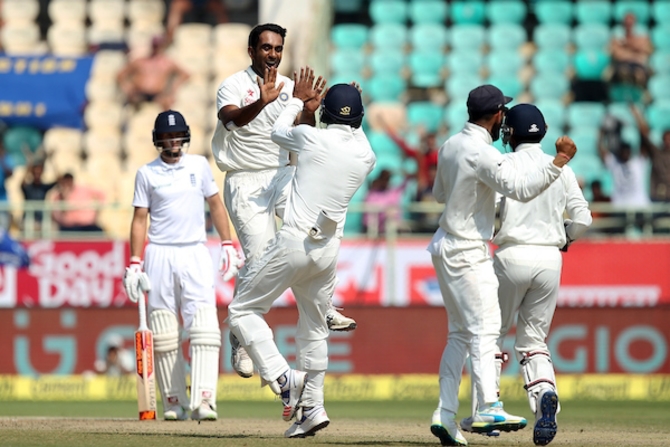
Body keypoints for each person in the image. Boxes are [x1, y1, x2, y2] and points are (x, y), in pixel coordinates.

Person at [427, 84, 577, 447]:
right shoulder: (484, 153)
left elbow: (439, 195)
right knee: (486, 326)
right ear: (496, 115)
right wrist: (558, 163)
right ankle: (488, 407)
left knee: (460, 334)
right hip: (468, 248)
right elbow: (523, 190)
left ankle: (446, 416)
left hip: (443, 243)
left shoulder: (450, 145)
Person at [227, 75, 375, 438]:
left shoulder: (313, 138)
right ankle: (313, 408)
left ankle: (282, 377)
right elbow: (355, 128)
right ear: (358, 120)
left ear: (325, 113)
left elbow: (278, 132)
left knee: (241, 311)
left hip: (295, 242)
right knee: (313, 328)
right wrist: (352, 105)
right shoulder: (365, 155)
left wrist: (297, 100)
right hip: (327, 252)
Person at [211, 23, 357, 379]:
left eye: (277, 48)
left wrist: (310, 108)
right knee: (261, 258)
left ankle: (323, 305)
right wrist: (262, 101)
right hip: (245, 179)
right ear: (251, 51)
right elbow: (231, 122)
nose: (272, 54)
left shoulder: (291, 87)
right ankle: (240, 333)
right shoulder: (233, 85)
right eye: (265, 48)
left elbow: (302, 131)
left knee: (314, 229)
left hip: (282, 172)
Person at [122, 109, 243, 421]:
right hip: (159, 253)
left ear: (185, 136)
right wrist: (135, 262)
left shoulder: (199, 165)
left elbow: (215, 204)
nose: (173, 141)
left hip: (194, 250)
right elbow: (139, 219)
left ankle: (204, 400)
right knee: (163, 331)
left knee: (204, 325)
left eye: (176, 136)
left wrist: (227, 242)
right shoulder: (146, 173)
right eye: (166, 137)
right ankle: (173, 401)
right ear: (158, 140)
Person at [486, 104, 593, 446]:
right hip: (550, 258)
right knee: (533, 342)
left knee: (491, 336)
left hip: (511, 254)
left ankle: (488, 410)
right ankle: (545, 396)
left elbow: (491, 213)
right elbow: (584, 219)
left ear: (511, 133)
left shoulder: (504, 163)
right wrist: (567, 237)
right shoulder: (560, 168)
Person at [116, 36, 190, 111]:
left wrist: (173, 90)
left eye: (158, 46)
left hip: (158, 96)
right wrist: (128, 89)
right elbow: (121, 75)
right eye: (154, 46)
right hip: (139, 95)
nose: (156, 48)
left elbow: (185, 75)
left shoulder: (167, 62)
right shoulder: (141, 61)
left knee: (167, 104)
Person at [609, 12, 653, 89]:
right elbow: (617, 53)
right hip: (621, 64)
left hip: (639, 65)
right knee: (621, 72)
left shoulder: (642, 31)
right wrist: (636, 53)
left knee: (639, 74)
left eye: (631, 20)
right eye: (627, 21)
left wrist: (626, 44)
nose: (629, 23)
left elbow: (646, 50)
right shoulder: (617, 32)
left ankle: (641, 97)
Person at [362, 168, 410, 235]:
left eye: (387, 179)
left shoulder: (394, 192)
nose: (385, 181)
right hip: (376, 230)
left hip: (393, 230)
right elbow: (367, 217)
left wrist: (397, 172)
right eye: (383, 179)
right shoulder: (372, 193)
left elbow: (408, 179)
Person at [21, 155, 58, 233]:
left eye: (39, 171)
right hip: (29, 220)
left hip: (42, 219)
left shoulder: (44, 187)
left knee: (53, 228)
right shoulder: (28, 187)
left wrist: (51, 161)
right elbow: (22, 183)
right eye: (35, 172)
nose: (37, 174)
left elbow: (58, 180)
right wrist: (29, 166)